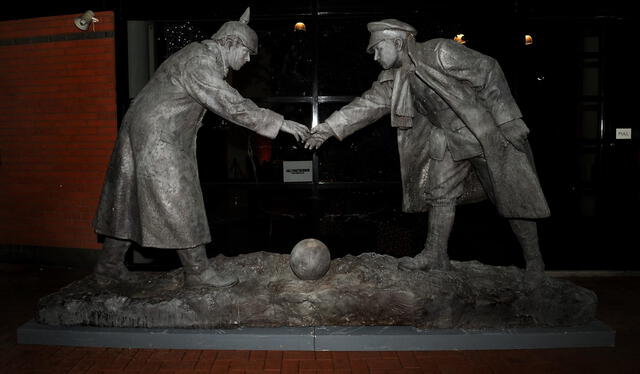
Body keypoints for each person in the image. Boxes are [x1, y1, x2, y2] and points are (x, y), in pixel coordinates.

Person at [305, 19, 549, 273]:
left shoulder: (440, 52)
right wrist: (328, 128)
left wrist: (508, 118)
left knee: (511, 195)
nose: (375, 56)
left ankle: (534, 262)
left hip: (484, 135)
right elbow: (367, 105)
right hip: (447, 139)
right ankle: (436, 255)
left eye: (378, 49)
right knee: (439, 193)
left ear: (398, 43)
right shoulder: (395, 78)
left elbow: (488, 70)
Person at [93, 8, 309, 288]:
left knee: (128, 201)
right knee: (182, 197)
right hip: (159, 135)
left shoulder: (195, 55)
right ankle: (197, 272)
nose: (247, 60)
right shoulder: (200, 60)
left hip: (142, 130)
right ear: (231, 43)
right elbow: (229, 103)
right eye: (246, 53)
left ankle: (108, 267)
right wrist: (279, 123)